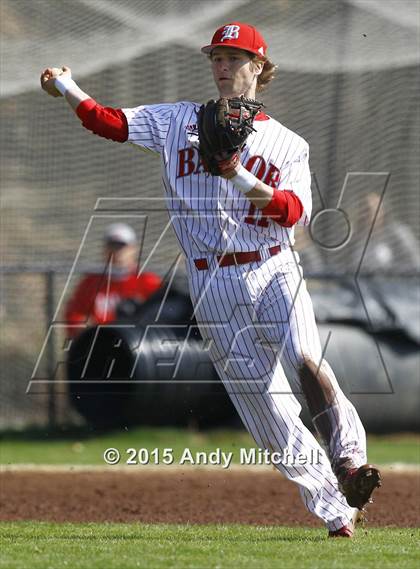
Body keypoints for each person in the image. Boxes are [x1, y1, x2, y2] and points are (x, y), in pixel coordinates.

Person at [41, 22, 381, 537]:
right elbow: (109, 123)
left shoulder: (288, 143)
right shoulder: (179, 120)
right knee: (266, 411)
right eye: (216, 58)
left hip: (271, 266)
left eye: (234, 57)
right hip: (210, 283)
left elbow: (291, 213)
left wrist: (236, 173)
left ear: (259, 67)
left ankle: (350, 461)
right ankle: (337, 509)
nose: (222, 67)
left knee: (304, 356)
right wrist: (66, 85)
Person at [65, 222, 162, 337]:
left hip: (136, 342)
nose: (117, 253)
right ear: (104, 250)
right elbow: (74, 314)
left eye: (121, 247)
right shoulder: (91, 282)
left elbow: (161, 315)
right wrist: (87, 329)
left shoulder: (148, 281)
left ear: (133, 250)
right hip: (100, 342)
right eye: (112, 246)